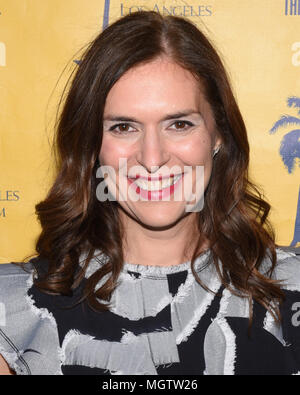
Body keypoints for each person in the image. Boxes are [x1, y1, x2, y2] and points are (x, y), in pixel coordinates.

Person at [0, 10, 299, 376]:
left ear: (219, 134)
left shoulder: (291, 293)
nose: (153, 158)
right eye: (124, 127)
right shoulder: (13, 315)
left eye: (179, 124)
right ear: (92, 145)